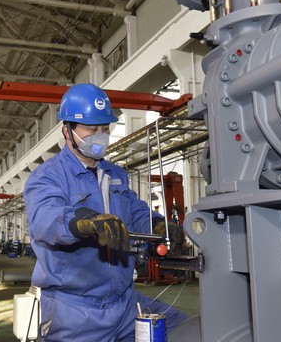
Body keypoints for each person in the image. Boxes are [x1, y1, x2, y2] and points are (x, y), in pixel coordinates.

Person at [23, 83, 188, 341]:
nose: (100, 136)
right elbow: (45, 219)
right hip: (74, 309)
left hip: (124, 303)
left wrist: (158, 225)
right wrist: (85, 222)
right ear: (67, 130)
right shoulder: (48, 176)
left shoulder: (115, 174)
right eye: (92, 129)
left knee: (188, 329)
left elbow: (135, 211)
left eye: (105, 129)